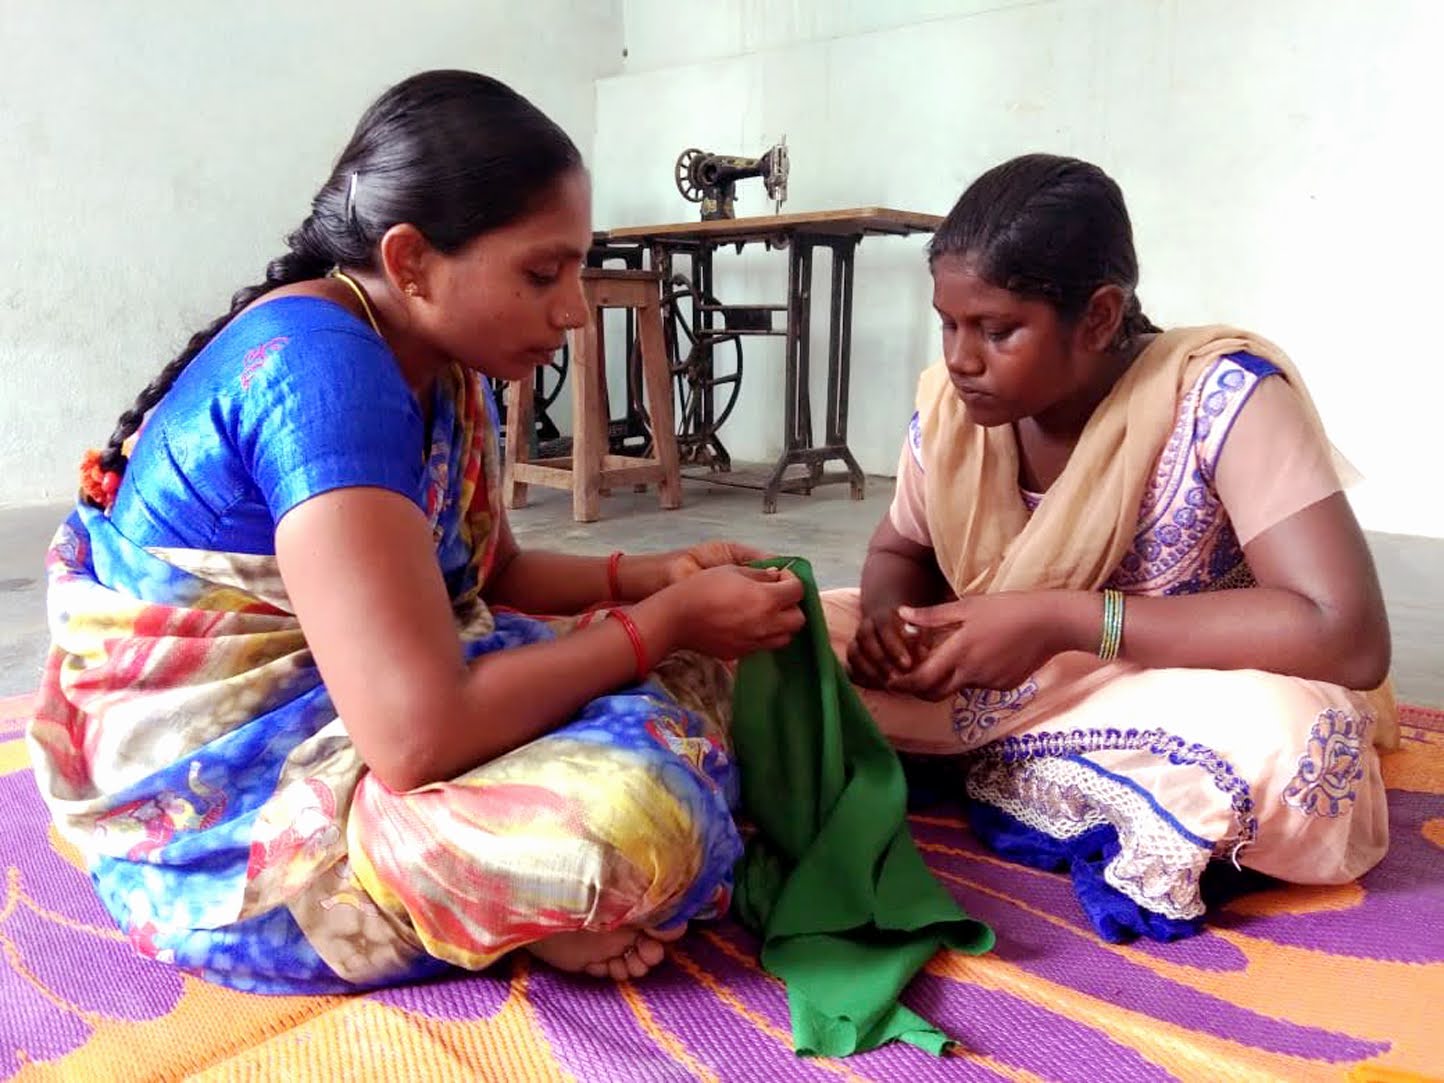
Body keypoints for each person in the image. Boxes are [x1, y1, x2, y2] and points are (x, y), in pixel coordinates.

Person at [27, 70, 804, 993]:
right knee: (637, 816)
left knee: (728, 657)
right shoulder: (326, 374)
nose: (573, 309)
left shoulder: (438, 357)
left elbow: (490, 574)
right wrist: (664, 620)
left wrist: (656, 576)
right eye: (542, 273)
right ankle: (487, 900)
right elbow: (415, 738)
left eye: (577, 270)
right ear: (410, 261)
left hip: (382, 698)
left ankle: (509, 889)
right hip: (228, 810)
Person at [823, 154, 1396, 941]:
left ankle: (958, 756)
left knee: (1295, 741)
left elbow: (1347, 634)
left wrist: (1066, 620)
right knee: (788, 630)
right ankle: (1038, 770)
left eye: (997, 330)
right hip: (995, 676)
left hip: (1163, 687)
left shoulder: (1220, 397)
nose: (960, 358)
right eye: (948, 323)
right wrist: (889, 626)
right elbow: (898, 553)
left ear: (1097, 317)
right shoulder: (955, 412)